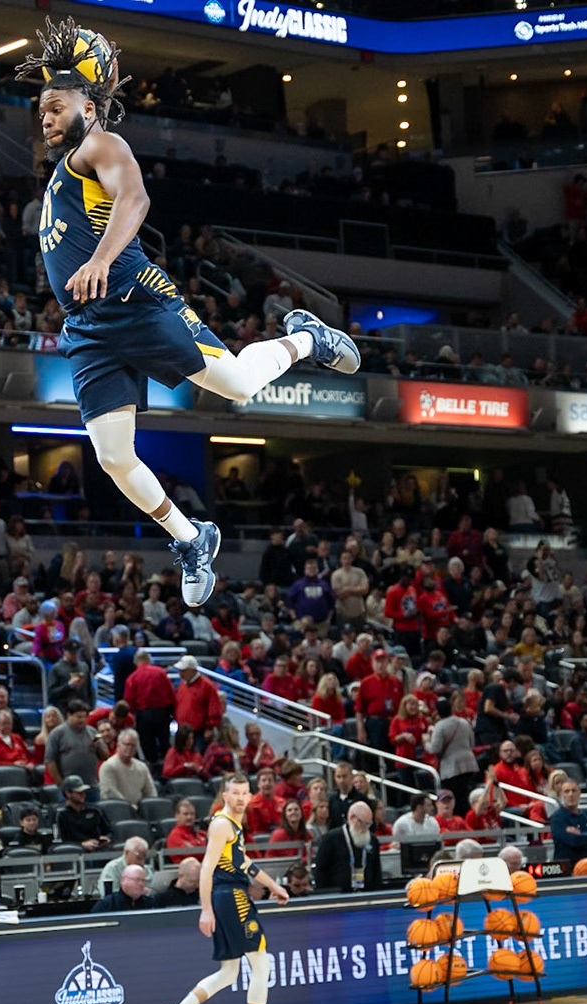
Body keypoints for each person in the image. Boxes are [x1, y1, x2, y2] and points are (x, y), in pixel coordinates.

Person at [19, 19, 356, 607]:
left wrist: (101, 259)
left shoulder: (101, 145)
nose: (43, 115)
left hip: (136, 300)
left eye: (54, 104)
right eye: (40, 106)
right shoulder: (60, 169)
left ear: (91, 104)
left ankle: (305, 338)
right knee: (113, 457)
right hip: (90, 328)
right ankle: (193, 537)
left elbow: (137, 198)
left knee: (238, 386)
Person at [156, 773, 287, 1004]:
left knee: (229, 972)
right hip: (231, 897)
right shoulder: (221, 824)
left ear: (249, 796)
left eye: (244, 793)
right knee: (262, 962)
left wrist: (273, 885)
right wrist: (205, 909)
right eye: (235, 793)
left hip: (229, 896)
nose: (240, 797)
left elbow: (244, 862)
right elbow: (207, 867)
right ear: (225, 796)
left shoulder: (234, 826)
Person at [315, 800, 384, 893]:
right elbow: (321, 872)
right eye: (363, 823)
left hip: (367, 894)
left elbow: (377, 872)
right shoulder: (331, 839)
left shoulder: (372, 840)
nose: (366, 827)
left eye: (369, 823)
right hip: (337, 895)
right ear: (352, 818)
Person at [548, 778, 587, 869]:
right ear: (560, 795)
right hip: (568, 868)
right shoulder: (557, 818)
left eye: (574, 791)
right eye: (567, 791)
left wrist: (581, 835)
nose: (571, 794)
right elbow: (572, 841)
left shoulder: (586, 815)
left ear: (579, 794)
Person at [54, 775, 112, 850]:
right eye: (79, 792)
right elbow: (59, 841)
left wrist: (105, 838)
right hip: (72, 853)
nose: (83, 795)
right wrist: (80, 845)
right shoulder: (60, 814)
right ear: (68, 793)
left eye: (84, 791)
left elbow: (109, 831)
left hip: (97, 849)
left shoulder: (95, 810)